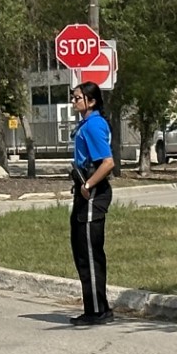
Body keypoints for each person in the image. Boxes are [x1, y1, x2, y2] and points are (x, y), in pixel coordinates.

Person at [68, 81, 117, 326]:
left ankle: (97, 311)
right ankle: (95, 306)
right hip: (84, 190)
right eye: (74, 98)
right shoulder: (86, 124)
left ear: (92, 100)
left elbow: (107, 162)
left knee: (89, 252)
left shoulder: (95, 125)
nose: (74, 101)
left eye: (78, 98)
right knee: (81, 251)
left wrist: (88, 186)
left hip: (93, 192)